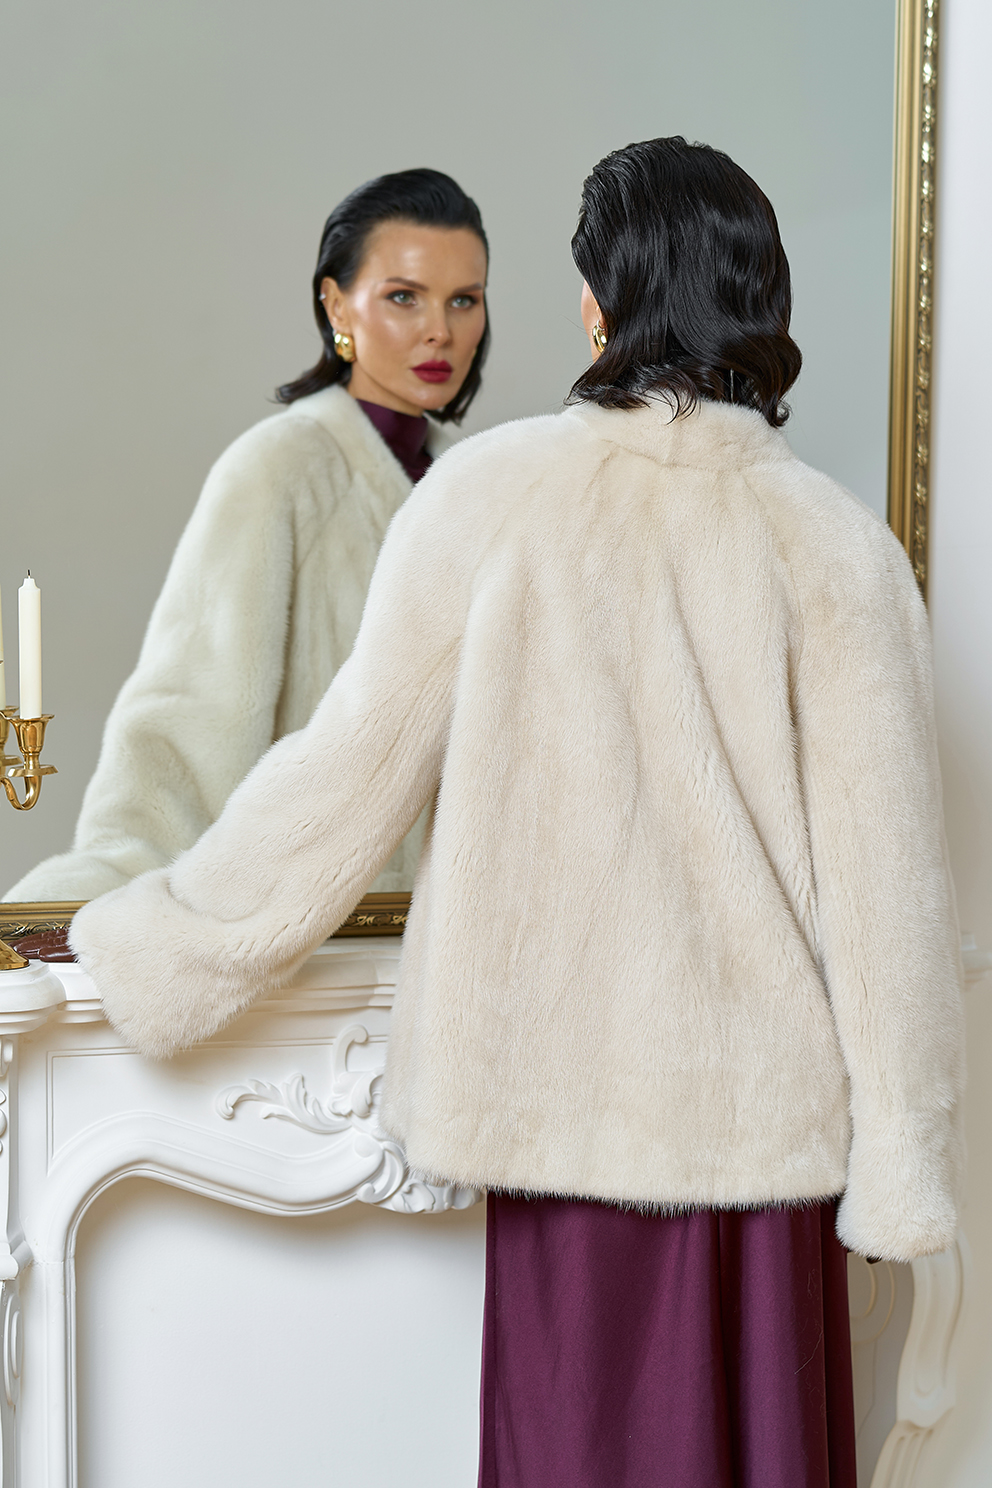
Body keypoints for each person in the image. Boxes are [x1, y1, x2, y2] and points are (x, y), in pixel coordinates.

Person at [70, 138, 963, 1488]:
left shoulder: (491, 497)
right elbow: (889, 898)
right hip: (772, 1151)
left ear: (600, 304)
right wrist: (901, 1163)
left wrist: (156, 946)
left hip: (561, 1135)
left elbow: (343, 775)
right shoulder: (837, 546)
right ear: (758, 299)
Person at [5, 167, 489, 903]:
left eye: (464, 300)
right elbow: (186, 726)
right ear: (336, 304)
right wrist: (86, 906)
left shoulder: (480, 486)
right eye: (403, 296)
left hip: (454, 921)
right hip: (317, 929)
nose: (440, 331)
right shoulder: (279, 469)